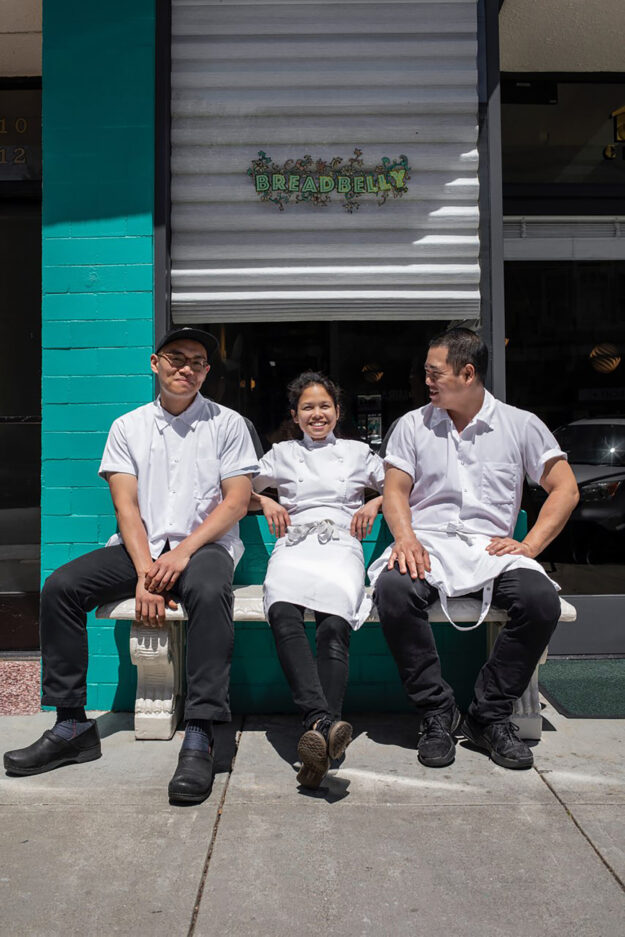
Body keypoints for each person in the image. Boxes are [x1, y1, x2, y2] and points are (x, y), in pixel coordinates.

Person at [4, 327, 259, 804]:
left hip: (203, 547)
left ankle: (202, 731)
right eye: (176, 358)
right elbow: (126, 507)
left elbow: (236, 504)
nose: (186, 368)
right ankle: (71, 725)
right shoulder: (128, 426)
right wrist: (148, 574)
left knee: (207, 591)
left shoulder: (229, 424)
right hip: (139, 546)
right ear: (154, 363)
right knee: (61, 587)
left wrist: (180, 556)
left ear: (207, 371)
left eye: (198, 362)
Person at [369, 328, 579, 770]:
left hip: (491, 551)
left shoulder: (520, 424)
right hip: (427, 545)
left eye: (435, 373)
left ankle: (489, 715)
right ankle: (436, 710)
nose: (426, 381)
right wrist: (405, 539)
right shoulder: (412, 425)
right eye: (425, 372)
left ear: (468, 373)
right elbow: (395, 491)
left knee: (540, 602)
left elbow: (565, 488)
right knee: (393, 591)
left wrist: (530, 545)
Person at [251, 372, 384, 788]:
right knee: (283, 612)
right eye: (307, 407)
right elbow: (233, 489)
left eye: (324, 406)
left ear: (337, 411)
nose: (317, 414)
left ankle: (317, 729)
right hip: (293, 545)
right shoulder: (281, 453)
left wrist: (375, 501)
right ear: (295, 415)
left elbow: (402, 489)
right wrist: (263, 500)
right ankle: (324, 724)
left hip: (341, 544)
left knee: (333, 628)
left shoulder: (359, 452)